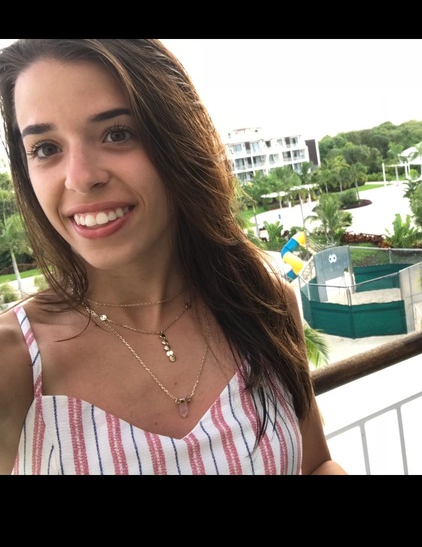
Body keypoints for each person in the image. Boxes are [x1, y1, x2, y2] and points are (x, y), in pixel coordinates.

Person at [0, 39, 347, 475]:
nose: (81, 178)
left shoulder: (262, 303)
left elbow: (315, 465)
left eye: (117, 133)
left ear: (179, 141)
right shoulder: (13, 361)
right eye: (46, 148)